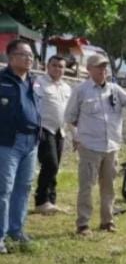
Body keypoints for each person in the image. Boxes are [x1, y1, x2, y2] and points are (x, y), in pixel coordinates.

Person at [64, 54, 126, 235]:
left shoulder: (114, 89)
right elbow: (70, 118)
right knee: (87, 186)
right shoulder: (81, 91)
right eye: (99, 67)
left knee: (109, 187)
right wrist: (76, 136)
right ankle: (83, 224)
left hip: (111, 146)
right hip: (89, 146)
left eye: (105, 67)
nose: (103, 70)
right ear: (89, 69)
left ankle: (107, 221)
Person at [0, 40, 41, 253]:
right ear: (10, 56)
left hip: (30, 142)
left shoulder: (34, 82)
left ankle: (16, 230)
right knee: (3, 189)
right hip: (7, 142)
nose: (29, 59)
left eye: (31, 56)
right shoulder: (2, 80)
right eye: (24, 54)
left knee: (23, 188)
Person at [34, 55, 72, 214]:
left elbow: (70, 112)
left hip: (60, 131)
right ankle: (41, 200)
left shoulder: (67, 88)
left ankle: (51, 200)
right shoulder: (38, 83)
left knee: (54, 167)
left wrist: (75, 135)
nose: (57, 69)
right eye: (54, 65)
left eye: (61, 66)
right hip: (44, 128)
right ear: (47, 66)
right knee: (50, 164)